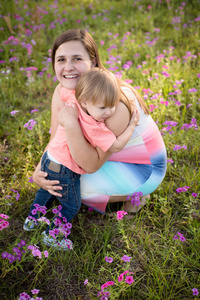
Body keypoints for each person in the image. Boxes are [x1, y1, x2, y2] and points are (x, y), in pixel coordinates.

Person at [32, 29, 167, 224]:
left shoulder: (113, 106)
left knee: (72, 186)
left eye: (77, 59)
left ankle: (137, 195)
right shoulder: (63, 90)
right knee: (57, 176)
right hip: (108, 158)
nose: (68, 67)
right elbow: (55, 140)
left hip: (142, 169)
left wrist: (71, 125)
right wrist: (40, 170)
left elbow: (91, 164)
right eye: (61, 60)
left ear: (93, 61)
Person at [23, 67, 140, 250]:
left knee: (46, 190)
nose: (109, 112)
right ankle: (53, 234)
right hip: (64, 170)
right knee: (71, 205)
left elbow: (63, 90)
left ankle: (32, 219)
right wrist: (131, 124)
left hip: (49, 158)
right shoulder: (96, 127)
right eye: (103, 107)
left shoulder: (73, 100)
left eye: (113, 105)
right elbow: (116, 146)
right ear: (85, 102)